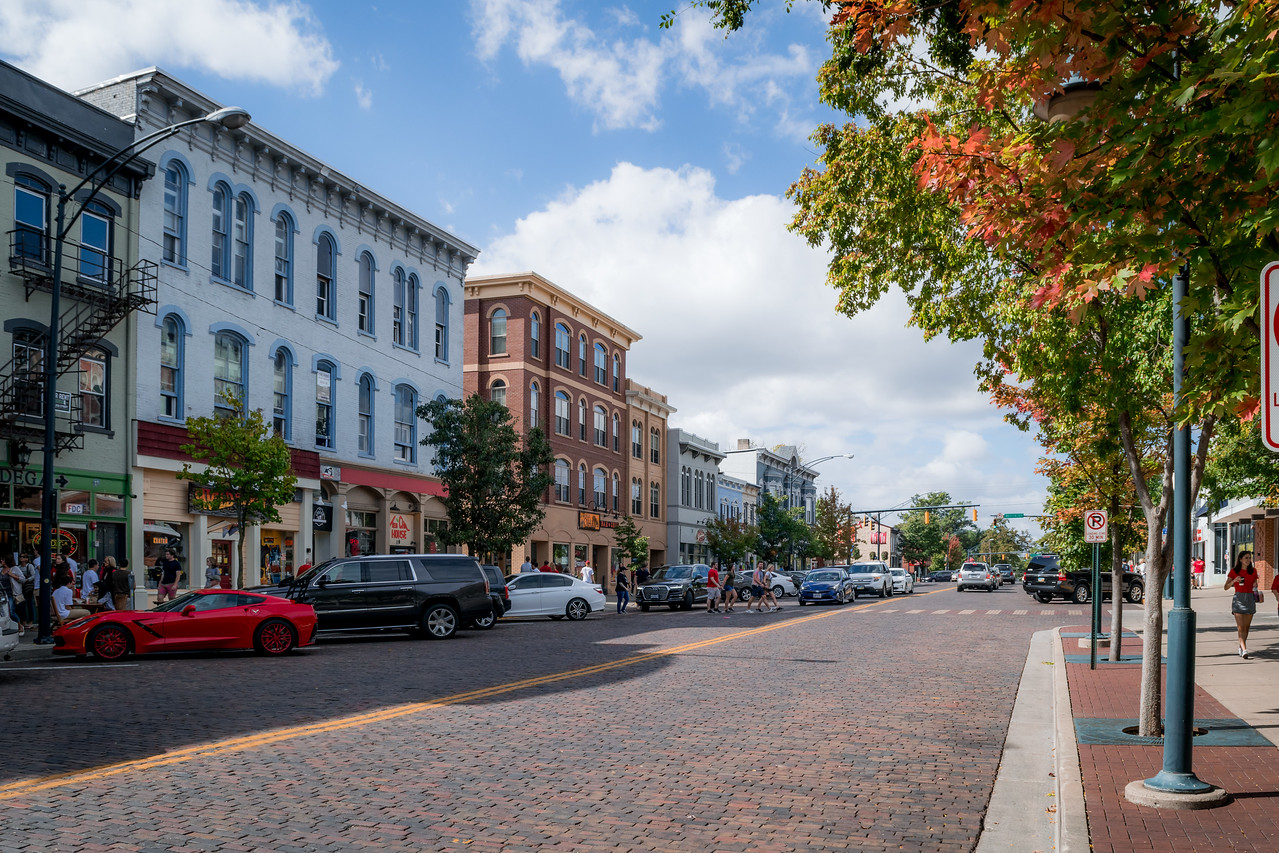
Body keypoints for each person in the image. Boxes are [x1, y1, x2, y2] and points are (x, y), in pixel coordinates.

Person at [1225, 550, 1258, 658]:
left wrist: (1256, 584)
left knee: (1246, 627)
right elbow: (1225, 587)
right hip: (1238, 599)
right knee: (1240, 627)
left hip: (1250, 599)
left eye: (1249, 558)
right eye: (1246, 558)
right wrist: (1234, 580)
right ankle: (1244, 650)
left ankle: (1241, 646)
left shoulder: (1253, 571)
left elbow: (1255, 584)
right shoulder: (1234, 571)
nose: (1248, 560)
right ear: (1240, 559)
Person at [2, 555, 26, 636]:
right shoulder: (1, 569)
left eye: (3, 559)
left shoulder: (14, 568)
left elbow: (23, 579)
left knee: (11, 611)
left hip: (11, 593)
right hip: (2, 594)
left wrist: (12, 575)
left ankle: (20, 625)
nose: (1, 560)